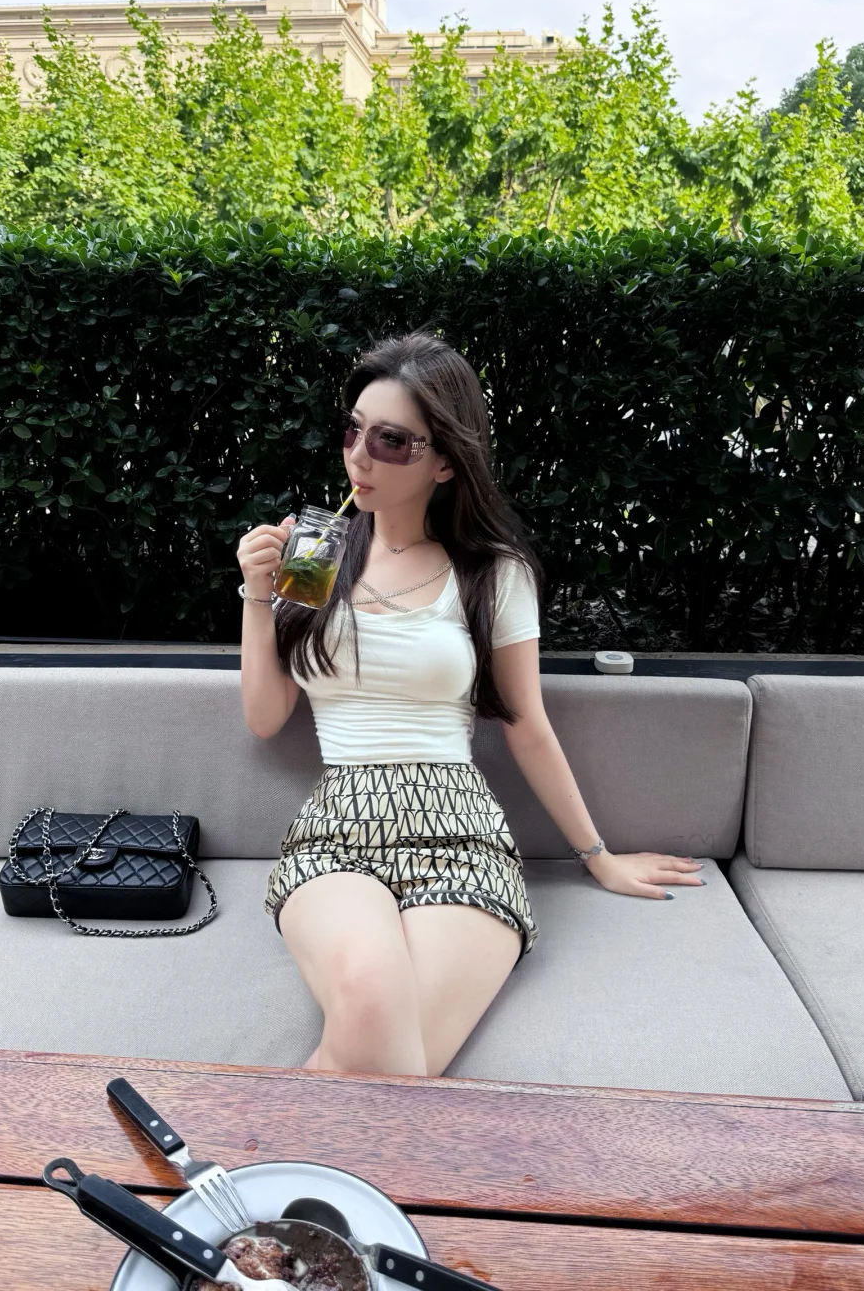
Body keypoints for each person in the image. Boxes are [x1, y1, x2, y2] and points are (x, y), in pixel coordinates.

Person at [236, 333, 704, 1077]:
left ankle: (247, 1145)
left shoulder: (492, 574)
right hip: (336, 830)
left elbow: (527, 724)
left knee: (387, 1052)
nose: (360, 456)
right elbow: (266, 718)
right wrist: (257, 595)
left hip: (460, 829)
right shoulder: (318, 552)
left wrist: (599, 857)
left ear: (446, 462)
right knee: (370, 999)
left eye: (391, 441)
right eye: (353, 429)